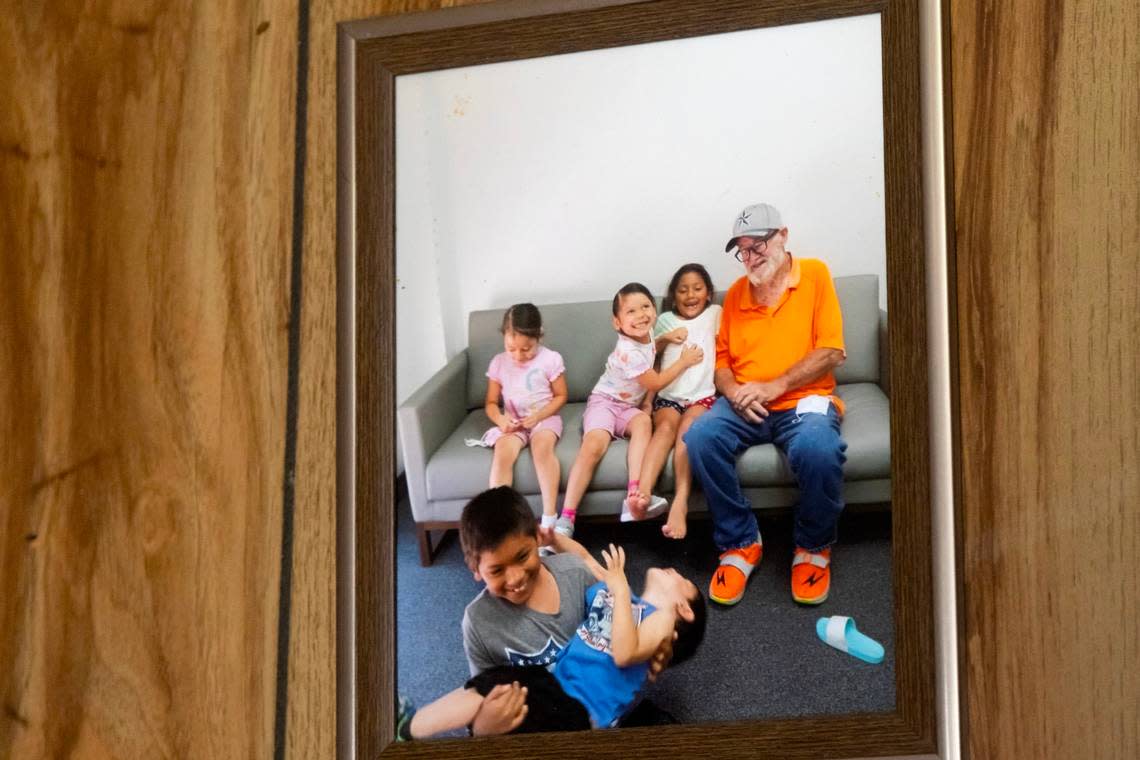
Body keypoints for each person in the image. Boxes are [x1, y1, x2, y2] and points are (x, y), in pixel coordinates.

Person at [684, 203, 848, 606]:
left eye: (758, 246)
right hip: (747, 403)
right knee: (700, 437)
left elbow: (831, 351)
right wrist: (736, 392)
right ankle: (741, 541)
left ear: (783, 236)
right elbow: (722, 364)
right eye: (743, 250)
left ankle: (812, 545)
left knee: (819, 449)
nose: (751, 258)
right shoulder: (738, 293)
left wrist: (775, 387)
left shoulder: (815, 275)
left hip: (804, 400)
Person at [400, 540, 707, 738]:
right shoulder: (618, 595)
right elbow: (585, 558)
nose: (674, 571)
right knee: (492, 682)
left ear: (684, 608)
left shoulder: (663, 619)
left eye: (683, 580)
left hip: (579, 712)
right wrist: (552, 536)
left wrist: (621, 590)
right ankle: (408, 728)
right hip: (554, 683)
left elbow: (625, 654)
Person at [457, 486, 674, 734]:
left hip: (606, 711)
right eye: (497, 570)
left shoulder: (575, 573)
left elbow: (620, 624)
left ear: (537, 537)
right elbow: (484, 695)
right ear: (475, 569)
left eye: (522, 556)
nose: (515, 577)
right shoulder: (478, 623)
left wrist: (654, 644)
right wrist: (486, 722)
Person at [554, 283, 703, 539]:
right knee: (594, 445)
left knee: (644, 423)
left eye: (646, 306)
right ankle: (566, 517)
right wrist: (683, 361)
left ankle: (635, 493)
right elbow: (655, 382)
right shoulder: (627, 350)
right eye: (631, 311)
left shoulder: (644, 337)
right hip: (605, 402)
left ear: (654, 311)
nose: (641, 314)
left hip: (628, 408)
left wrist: (665, 338)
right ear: (617, 323)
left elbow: (650, 349)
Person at [629, 264, 722, 539]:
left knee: (687, 432)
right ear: (673, 295)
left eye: (697, 289)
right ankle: (641, 494)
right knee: (665, 430)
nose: (690, 295)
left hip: (701, 397)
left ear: (708, 293)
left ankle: (680, 502)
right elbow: (650, 357)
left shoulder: (715, 314)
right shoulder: (665, 319)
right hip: (668, 396)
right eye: (683, 290)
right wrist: (666, 338)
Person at [477, 303, 568, 532]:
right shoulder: (498, 363)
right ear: (504, 338)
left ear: (540, 336)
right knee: (502, 455)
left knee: (542, 450)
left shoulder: (550, 359)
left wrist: (539, 415)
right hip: (513, 421)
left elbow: (561, 396)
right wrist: (500, 420)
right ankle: (501, 519)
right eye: (511, 348)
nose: (519, 355)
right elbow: (489, 403)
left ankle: (549, 518)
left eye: (527, 349)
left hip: (544, 417)